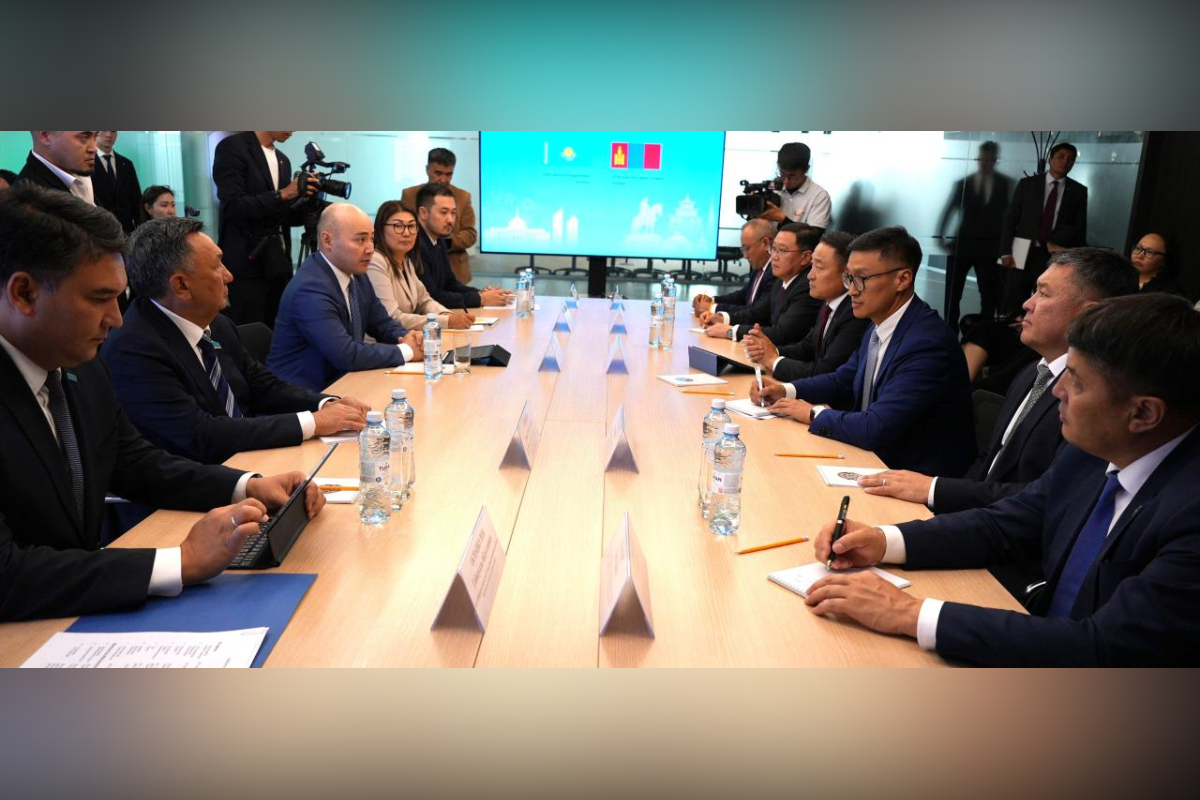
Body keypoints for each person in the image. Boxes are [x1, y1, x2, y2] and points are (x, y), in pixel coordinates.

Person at [805, 293, 1200, 666]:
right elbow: (1002, 525)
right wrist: (883, 540)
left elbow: (1102, 649)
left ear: (1144, 414)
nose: (1058, 390)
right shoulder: (1091, 454)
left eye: (1077, 382)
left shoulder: (1189, 511)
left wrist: (910, 614)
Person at [0, 184, 324, 623]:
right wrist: (181, 561)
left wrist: (247, 486)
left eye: (118, 298)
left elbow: (135, 463)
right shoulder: (102, 352)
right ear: (24, 293)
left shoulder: (79, 364)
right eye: (99, 299)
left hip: (74, 610)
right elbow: (7, 574)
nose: (116, 319)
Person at [860, 246, 1138, 512]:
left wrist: (934, 490)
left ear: (1088, 314)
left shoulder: (1091, 400)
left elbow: (1044, 499)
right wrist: (942, 505)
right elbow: (989, 462)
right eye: (1033, 291)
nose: (1027, 304)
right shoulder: (1032, 372)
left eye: (1043, 293)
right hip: (973, 517)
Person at [102, 216, 370, 464]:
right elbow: (202, 434)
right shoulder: (134, 349)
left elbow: (263, 386)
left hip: (249, 461)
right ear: (181, 285)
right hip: (196, 482)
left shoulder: (217, 323)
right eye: (217, 265)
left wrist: (326, 404)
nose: (229, 275)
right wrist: (314, 422)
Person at [752, 226, 976, 477]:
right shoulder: (879, 325)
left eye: (861, 279)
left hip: (911, 476)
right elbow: (842, 380)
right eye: (849, 278)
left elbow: (875, 427)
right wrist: (785, 390)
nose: (852, 290)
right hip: (872, 459)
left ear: (902, 279)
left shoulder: (927, 343)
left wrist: (813, 413)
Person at [267, 203, 423, 392]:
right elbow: (345, 354)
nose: (370, 249)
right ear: (327, 241)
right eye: (360, 240)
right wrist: (406, 350)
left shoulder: (356, 274)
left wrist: (407, 337)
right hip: (305, 394)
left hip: (345, 383)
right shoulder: (310, 288)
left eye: (371, 239)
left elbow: (382, 323)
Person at [212, 131, 317, 327]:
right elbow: (232, 206)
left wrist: (306, 201)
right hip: (246, 263)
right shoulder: (233, 148)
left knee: (279, 330)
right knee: (250, 332)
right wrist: (283, 195)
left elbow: (282, 216)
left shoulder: (283, 160)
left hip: (278, 262)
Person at [742, 231, 871, 381]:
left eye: (819, 267)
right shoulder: (829, 302)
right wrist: (769, 351)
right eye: (812, 266)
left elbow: (825, 371)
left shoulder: (855, 313)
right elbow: (809, 347)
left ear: (847, 274)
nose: (810, 275)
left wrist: (774, 361)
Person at [998, 142, 1088, 314]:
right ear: (1050, 159)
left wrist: (1075, 259)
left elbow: (1080, 227)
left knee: (1045, 301)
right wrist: (1005, 252)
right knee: (1012, 299)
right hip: (1021, 248)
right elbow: (1010, 219)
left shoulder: (1078, 191)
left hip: (1054, 252)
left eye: (1070, 159)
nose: (1065, 161)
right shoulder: (1028, 184)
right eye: (1061, 156)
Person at [702, 223, 824, 346]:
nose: (774, 257)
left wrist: (730, 331)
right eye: (774, 249)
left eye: (782, 250)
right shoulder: (781, 281)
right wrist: (722, 318)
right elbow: (759, 314)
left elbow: (781, 334)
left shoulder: (808, 287)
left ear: (805, 257)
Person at [937, 140, 1011, 328]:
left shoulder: (1005, 183)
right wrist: (940, 236)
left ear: (995, 160)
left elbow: (1011, 216)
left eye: (989, 160)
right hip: (962, 244)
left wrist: (1006, 246)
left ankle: (984, 334)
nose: (985, 163)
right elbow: (948, 210)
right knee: (953, 293)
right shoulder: (963, 182)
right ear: (977, 159)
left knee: (988, 294)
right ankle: (949, 332)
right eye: (982, 159)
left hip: (990, 246)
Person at [368, 201, 474, 331]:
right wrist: (446, 321)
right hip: (384, 341)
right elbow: (392, 317)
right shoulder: (375, 261)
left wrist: (446, 314)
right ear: (380, 229)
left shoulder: (406, 260)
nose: (406, 233)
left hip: (409, 337)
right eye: (398, 226)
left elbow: (424, 301)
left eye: (411, 226)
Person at [415, 183, 512, 310]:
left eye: (453, 213)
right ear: (423, 213)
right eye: (444, 212)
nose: (450, 220)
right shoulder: (415, 245)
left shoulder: (439, 240)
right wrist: (480, 299)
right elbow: (432, 297)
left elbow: (450, 284)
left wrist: (481, 293)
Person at [400, 148, 478, 284]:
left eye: (449, 174)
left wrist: (445, 242)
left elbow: (470, 234)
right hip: (419, 267)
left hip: (455, 269)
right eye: (438, 173)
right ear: (427, 170)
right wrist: (428, 241)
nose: (443, 179)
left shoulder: (463, 197)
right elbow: (403, 228)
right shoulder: (410, 195)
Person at [690, 219, 777, 318]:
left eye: (747, 248)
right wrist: (712, 300)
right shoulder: (759, 267)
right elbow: (743, 296)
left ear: (765, 243)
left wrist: (713, 308)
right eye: (743, 249)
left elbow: (757, 313)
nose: (745, 256)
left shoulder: (775, 273)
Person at [758, 142, 831, 231]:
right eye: (782, 174)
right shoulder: (771, 187)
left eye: (792, 176)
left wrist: (783, 219)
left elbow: (814, 235)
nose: (786, 181)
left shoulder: (819, 196)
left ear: (806, 169)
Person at [16, 131, 98, 204]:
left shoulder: (80, 172)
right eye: (84, 137)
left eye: (95, 136)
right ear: (46, 136)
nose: (94, 148)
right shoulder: (29, 203)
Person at [91, 130, 142, 233]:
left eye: (113, 131)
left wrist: (141, 229)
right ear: (95, 132)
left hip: (127, 229)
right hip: (100, 229)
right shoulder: (87, 163)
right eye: (104, 130)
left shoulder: (126, 164)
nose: (109, 135)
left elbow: (136, 199)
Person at [1131, 231, 1185, 296]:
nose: (1139, 256)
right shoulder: (1123, 280)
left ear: (1164, 260)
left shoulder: (1166, 294)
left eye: (1150, 252)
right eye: (1138, 248)